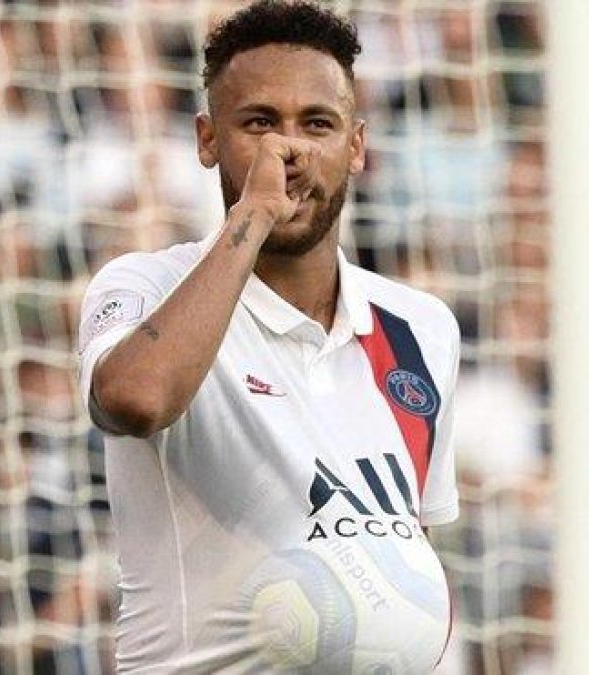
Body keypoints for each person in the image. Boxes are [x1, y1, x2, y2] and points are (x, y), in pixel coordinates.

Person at [75, 2, 461, 673]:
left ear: (357, 145)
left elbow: (404, 551)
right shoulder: (144, 285)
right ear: (207, 140)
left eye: (318, 124)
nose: (290, 151)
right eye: (259, 123)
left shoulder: (421, 329)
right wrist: (252, 213)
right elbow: (131, 399)